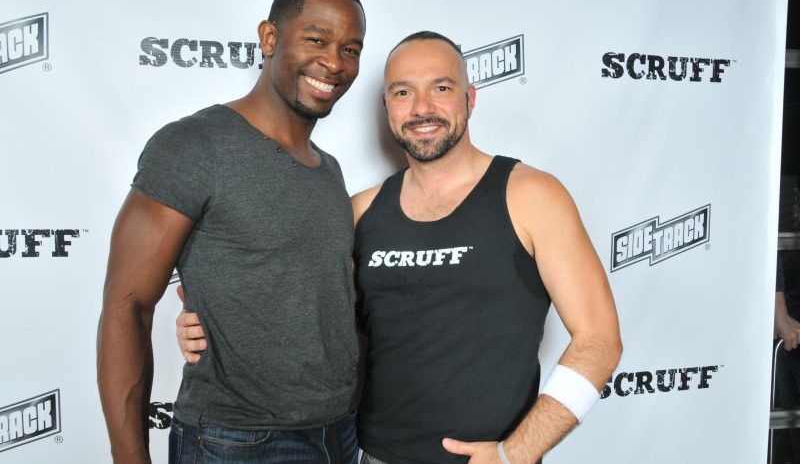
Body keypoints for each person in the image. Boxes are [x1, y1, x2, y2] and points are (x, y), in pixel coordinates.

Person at [178, 31, 622, 463]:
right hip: (371, 453)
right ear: (387, 106)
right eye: (404, 92)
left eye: (441, 88)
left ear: (470, 98)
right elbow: (309, 316)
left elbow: (599, 340)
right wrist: (210, 324)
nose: (422, 108)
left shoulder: (530, 195)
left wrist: (515, 454)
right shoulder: (360, 210)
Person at [96, 0, 367, 464]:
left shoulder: (329, 169)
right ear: (269, 38)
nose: (334, 62)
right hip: (236, 442)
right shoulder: (194, 145)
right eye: (316, 39)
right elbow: (127, 306)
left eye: (350, 49)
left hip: (338, 434)